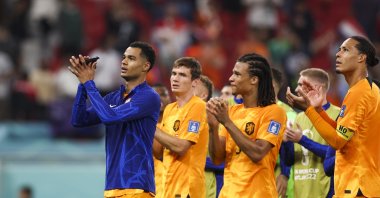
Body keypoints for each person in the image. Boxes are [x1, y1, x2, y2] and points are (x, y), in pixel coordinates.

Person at [286, 35, 380, 197]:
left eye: (345, 50)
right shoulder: (366, 89)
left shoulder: (359, 93)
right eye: (339, 50)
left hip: (357, 187)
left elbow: (337, 141)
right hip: (362, 185)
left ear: (361, 57)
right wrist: (318, 111)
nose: (338, 54)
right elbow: (344, 133)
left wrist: (308, 110)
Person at [68, 41, 161, 198]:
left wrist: (89, 83)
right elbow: (79, 120)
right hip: (112, 187)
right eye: (123, 57)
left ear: (146, 66)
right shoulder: (114, 97)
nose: (124, 61)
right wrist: (83, 84)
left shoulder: (149, 97)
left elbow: (110, 117)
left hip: (137, 187)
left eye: (131, 58)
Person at [207, 53, 287, 197]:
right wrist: (212, 127)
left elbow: (258, 153)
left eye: (237, 74)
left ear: (254, 80)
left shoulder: (274, 112)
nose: (231, 78)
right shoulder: (232, 112)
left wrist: (226, 122)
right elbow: (217, 158)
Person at [153, 57, 209, 198]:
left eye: (182, 75)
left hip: (187, 189)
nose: (175, 78)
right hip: (168, 188)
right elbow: (159, 153)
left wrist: (150, 127)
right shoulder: (169, 109)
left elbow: (181, 147)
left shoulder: (198, 106)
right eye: (174, 73)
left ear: (195, 82)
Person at [283, 68, 340, 198]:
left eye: (301, 85)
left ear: (316, 88)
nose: (296, 89)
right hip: (300, 192)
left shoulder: (337, 115)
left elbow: (337, 154)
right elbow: (289, 160)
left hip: (325, 192)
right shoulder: (298, 117)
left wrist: (302, 139)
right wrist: (286, 142)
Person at [271, 68, 296, 198]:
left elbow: (290, 150)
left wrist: (285, 174)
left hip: (281, 179)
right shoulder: (254, 112)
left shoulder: (289, 114)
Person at [152, 84, 171, 198]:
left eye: (163, 94)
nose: (160, 98)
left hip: (170, 185)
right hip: (148, 185)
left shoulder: (175, 124)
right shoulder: (139, 125)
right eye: (155, 95)